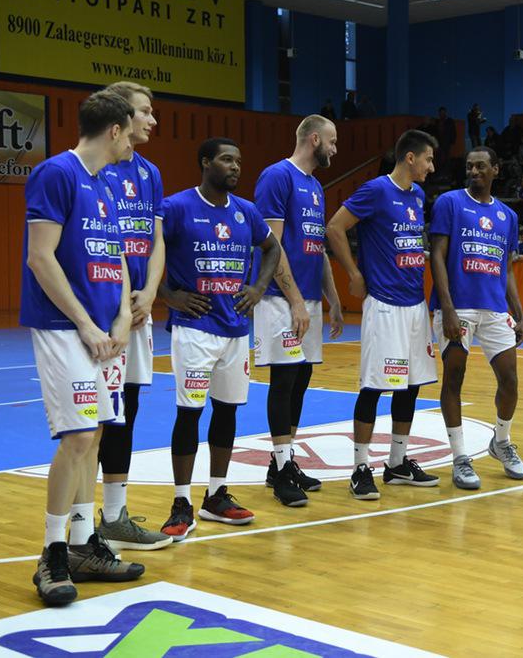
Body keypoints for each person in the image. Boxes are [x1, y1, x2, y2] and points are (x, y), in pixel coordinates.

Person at [21, 90, 143, 606]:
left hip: (103, 331)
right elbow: (40, 257)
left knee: (93, 437)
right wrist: (86, 325)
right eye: (132, 130)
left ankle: (80, 543)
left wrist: (121, 317)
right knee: (76, 438)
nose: (136, 138)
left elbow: (116, 258)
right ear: (114, 130)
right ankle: (51, 554)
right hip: (63, 327)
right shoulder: (56, 173)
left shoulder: (107, 184)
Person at [158, 138, 285, 540]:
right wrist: (167, 295)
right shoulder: (176, 207)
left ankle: (216, 495)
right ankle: (181, 501)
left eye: (239, 161)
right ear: (205, 162)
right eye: (227, 160)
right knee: (189, 413)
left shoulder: (246, 211)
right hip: (194, 328)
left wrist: (258, 288)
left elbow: (272, 248)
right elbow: (145, 253)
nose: (235, 167)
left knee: (227, 412)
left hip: (235, 330)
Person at [325, 130, 440, 500]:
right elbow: (334, 227)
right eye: (428, 159)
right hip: (385, 304)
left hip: (414, 304)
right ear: (410, 157)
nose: (431, 167)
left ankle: (397, 463)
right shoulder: (375, 190)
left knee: (411, 385)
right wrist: (354, 274)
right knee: (374, 387)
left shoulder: (417, 195)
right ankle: (360, 468)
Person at [94, 81, 172, 551]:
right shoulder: (94, 168)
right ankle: (82, 525)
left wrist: (151, 292)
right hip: (106, 310)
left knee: (127, 409)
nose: (153, 120)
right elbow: (107, 241)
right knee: (96, 418)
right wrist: (125, 301)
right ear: (120, 118)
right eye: (145, 111)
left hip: (139, 310)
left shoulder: (150, 172)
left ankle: (114, 514)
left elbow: (155, 239)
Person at [253, 115, 344, 508]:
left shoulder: (316, 187)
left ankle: (283, 463)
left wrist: (333, 298)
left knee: (301, 378)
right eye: (333, 142)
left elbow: (316, 247)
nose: (335, 149)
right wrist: (293, 301)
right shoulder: (277, 177)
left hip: (308, 298)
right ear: (314, 139)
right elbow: (272, 246)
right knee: (284, 380)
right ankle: (281, 470)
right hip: (280, 298)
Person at [429, 146, 523, 489]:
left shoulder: (507, 216)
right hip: (458, 307)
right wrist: (446, 307)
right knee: (454, 379)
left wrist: (518, 311)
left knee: (510, 381)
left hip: (495, 308)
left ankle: (501, 441)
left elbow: (507, 268)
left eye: (481, 166)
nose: (474, 171)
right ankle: (460, 457)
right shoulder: (449, 203)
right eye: (470, 166)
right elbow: (437, 256)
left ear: (495, 170)